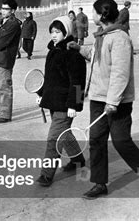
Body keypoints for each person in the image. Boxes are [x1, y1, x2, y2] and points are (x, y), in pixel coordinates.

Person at [68, 0, 139, 199]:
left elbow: (120, 73)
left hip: (118, 102)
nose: (92, 16)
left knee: (121, 140)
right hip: (98, 98)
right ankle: (99, 184)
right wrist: (79, 49)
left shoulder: (120, 38)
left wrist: (113, 102)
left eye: (94, 13)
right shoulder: (102, 36)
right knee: (97, 141)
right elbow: (98, 57)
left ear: (102, 15)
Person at [35, 16, 86, 187]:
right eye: (52, 32)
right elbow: (49, 78)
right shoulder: (53, 51)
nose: (53, 35)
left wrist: (75, 105)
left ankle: (46, 174)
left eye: (57, 32)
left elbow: (78, 82)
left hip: (66, 104)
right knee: (65, 133)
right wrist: (42, 94)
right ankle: (78, 159)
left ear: (66, 32)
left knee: (54, 138)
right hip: (53, 101)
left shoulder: (73, 54)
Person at [0, 0, 22, 123]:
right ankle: (1, 109)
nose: (3, 11)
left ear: (13, 10)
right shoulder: (2, 21)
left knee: (5, 86)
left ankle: (6, 114)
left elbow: (3, 40)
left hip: (5, 58)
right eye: (2, 8)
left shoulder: (13, 24)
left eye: (6, 9)